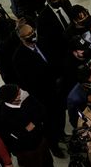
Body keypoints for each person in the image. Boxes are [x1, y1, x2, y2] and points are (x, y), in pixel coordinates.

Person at [0, 84, 69, 167]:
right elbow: (16, 136)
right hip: (27, 150)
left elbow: (42, 111)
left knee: (48, 162)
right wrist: (30, 127)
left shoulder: (26, 98)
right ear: (11, 99)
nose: (21, 93)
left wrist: (32, 125)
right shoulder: (5, 114)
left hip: (40, 140)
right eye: (18, 93)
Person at [12, 22, 66, 157]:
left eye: (32, 32)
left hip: (57, 88)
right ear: (21, 38)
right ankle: (53, 145)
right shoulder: (19, 57)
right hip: (42, 95)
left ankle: (61, 134)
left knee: (60, 114)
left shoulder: (42, 42)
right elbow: (26, 82)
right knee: (49, 121)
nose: (32, 36)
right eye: (28, 35)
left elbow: (54, 58)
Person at [37, 0, 74, 67]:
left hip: (75, 38)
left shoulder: (66, 2)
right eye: (56, 0)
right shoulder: (43, 18)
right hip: (63, 48)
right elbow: (47, 40)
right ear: (49, 2)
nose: (60, 0)